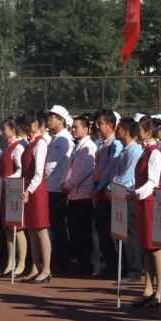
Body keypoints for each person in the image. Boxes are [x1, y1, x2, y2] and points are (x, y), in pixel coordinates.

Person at [131, 116, 161, 307]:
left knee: (155, 246)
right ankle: (148, 287)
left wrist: (136, 193)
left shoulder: (155, 153)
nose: (137, 133)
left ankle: (160, 290)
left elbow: (153, 182)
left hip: (151, 202)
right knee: (145, 245)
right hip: (142, 201)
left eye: (140, 130)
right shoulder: (145, 152)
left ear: (148, 132)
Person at [21, 111, 52, 283]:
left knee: (41, 229)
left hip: (36, 191)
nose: (26, 127)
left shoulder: (40, 144)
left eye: (28, 124)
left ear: (35, 124)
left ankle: (46, 269)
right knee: (31, 230)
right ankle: (36, 267)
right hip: (27, 189)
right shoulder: (30, 143)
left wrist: (29, 190)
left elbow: (39, 173)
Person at [63, 115, 97, 275]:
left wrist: (69, 184)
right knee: (75, 232)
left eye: (76, 127)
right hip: (73, 195)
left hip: (83, 196)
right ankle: (78, 263)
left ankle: (86, 265)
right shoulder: (78, 147)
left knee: (83, 233)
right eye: (72, 127)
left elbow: (84, 170)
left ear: (86, 129)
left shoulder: (89, 147)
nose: (73, 130)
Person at [91, 109, 123, 277]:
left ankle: (115, 266)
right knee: (101, 231)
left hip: (108, 193)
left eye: (100, 123)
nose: (97, 126)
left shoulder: (115, 145)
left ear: (110, 125)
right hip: (99, 192)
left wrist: (102, 188)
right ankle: (109, 265)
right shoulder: (102, 144)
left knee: (109, 232)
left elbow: (112, 170)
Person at [113, 117, 144, 282]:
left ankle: (135, 269)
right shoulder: (124, 151)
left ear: (125, 131)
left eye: (118, 128)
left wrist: (112, 186)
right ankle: (127, 267)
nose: (116, 131)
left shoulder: (135, 151)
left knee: (132, 234)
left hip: (130, 196)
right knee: (123, 233)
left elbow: (127, 177)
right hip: (121, 195)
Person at [45, 105, 73, 273]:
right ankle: (59, 260)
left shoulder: (63, 140)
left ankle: (61, 262)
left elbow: (51, 166)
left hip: (56, 189)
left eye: (52, 117)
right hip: (52, 187)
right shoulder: (56, 138)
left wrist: (41, 178)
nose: (49, 119)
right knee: (55, 227)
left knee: (58, 227)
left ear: (61, 120)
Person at [0, 118, 27, 277]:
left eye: (5, 129)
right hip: (5, 190)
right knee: (8, 228)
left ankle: (21, 263)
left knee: (18, 229)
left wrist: (9, 179)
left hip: (14, 189)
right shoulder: (7, 147)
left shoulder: (18, 147)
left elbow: (21, 169)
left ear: (12, 129)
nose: (3, 132)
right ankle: (10, 261)